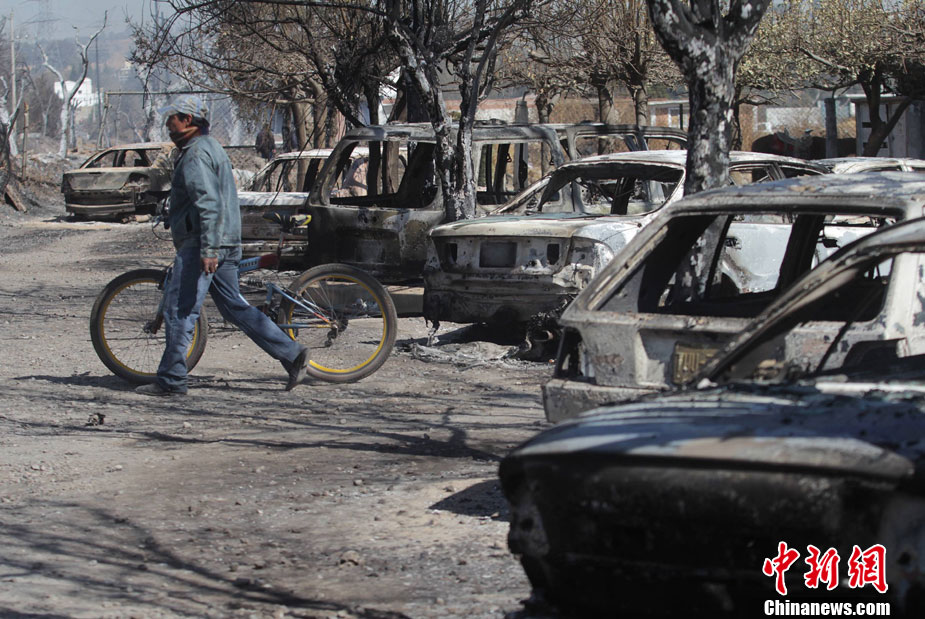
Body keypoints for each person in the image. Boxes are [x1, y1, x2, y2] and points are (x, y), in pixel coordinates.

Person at [136, 95, 307, 396]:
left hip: (204, 242)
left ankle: (171, 380)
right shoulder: (211, 147)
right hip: (226, 240)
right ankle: (293, 354)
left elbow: (210, 205)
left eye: (172, 118)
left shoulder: (195, 155)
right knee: (234, 307)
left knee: (180, 310)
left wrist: (208, 250)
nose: (167, 124)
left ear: (187, 120)